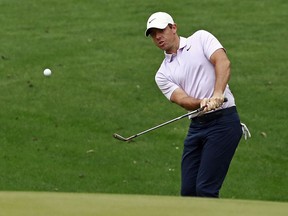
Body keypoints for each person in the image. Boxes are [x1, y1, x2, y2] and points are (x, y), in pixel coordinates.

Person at [145, 12, 246, 198]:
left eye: (161, 30)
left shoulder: (200, 38)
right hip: (197, 126)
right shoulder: (162, 74)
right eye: (153, 34)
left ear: (173, 28)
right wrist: (201, 102)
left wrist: (217, 93)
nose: (158, 37)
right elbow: (182, 99)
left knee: (205, 190)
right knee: (188, 192)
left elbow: (223, 62)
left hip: (224, 122)